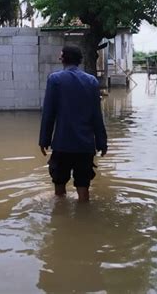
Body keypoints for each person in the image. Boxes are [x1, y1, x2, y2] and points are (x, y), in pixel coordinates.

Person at [39, 46, 108, 202]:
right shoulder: (91, 81)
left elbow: (49, 114)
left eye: (60, 56)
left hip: (62, 144)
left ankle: (62, 220)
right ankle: (84, 219)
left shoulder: (55, 79)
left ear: (63, 59)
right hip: (85, 146)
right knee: (83, 189)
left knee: (59, 189)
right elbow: (97, 116)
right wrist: (102, 143)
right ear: (79, 60)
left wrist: (44, 140)